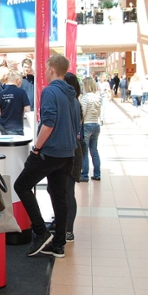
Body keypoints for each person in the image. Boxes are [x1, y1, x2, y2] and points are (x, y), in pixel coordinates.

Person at [13, 55, 81, 258]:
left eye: (45, 67)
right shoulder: (72, 96)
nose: (43, 71)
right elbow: (76, 127)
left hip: (49, 152)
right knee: (59, 196)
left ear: (51, 69)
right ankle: (59, 244)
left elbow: (49, 122)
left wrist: (37, 147)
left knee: (21, 186)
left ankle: (41, 231)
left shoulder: (50, 91)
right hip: (68, 153)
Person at [63, 72, 84, 243]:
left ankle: (68, 229)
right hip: (73, 149)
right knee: (63, 191)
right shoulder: (75, 102)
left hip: (70, 151)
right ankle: (64, 226)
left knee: (68, 192)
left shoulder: (72, 103)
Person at [80, 77, 102, 182]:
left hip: (87, 125)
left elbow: (82, 112)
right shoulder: (98, 97)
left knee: (84, 151)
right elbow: (99, 112)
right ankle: (97, 174)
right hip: (96, 125)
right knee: (94, 150)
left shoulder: (85, 98)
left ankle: (84, 175)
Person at [0, 70, 30, 135]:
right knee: (16, 145)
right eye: (21, 81)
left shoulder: (2, 93)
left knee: (5, 144)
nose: (21, 83)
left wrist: (6, 115)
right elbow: (27, 109)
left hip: (3, 125)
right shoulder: (21, 92)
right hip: (16, 127)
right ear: (18, 80)